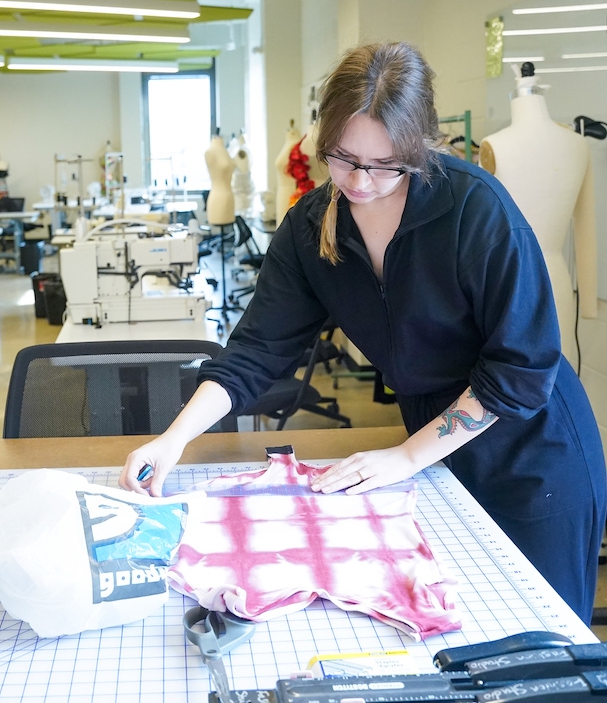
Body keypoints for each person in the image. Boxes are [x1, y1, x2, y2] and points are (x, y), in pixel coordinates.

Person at [119, 42, 606, 623]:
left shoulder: (475, 210)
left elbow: (519, 373)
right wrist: (174, 438)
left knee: (538, 640)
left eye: (385, 164)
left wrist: (405, 457)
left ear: (418, 146)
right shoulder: (311, 227)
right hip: (431, 447)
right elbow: (255, 349)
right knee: (458, 630)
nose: (359, 181)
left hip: (533, 453)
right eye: (342, 158)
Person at [480, 65, 597, 365]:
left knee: (530, 384)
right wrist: (588, 301)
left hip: (514, 282)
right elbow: (587, 228)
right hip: (549, 278)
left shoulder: (495, 146)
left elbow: (481, 231)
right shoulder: (576, 144)